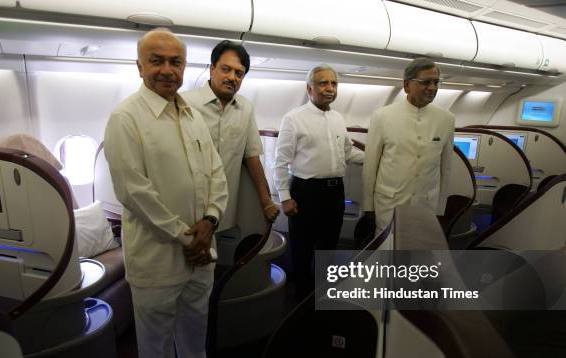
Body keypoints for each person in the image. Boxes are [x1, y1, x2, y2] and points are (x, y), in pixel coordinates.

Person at [103, 29, 228, 358]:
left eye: (175, 62)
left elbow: (216, 172)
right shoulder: (126, 118)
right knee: (155, 339)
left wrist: (210, 220)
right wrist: (184, 236)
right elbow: (134, 192)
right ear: (139, 66)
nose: (167, 70)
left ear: (185, 67)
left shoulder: (191, 115)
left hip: (200, 248)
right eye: (156, 60)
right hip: (158, 255)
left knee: (195, 324)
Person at [273, 64, 364, 300]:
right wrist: (285, 197)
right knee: (302, 249)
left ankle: (323, 295)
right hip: (305, 192)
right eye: (323, 83)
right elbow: (280, 161)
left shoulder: (337, 118)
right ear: (309, 88)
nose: (329, 88)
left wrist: (376, 158)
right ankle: (301, 299)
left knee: (329, 247)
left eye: (333, 83)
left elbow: (348, 152)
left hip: (334, 194)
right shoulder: (294, 118)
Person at [182, 40, 279, 232]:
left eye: (239, 73)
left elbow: (252, 158)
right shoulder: (186, 103)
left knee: (217, 260)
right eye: (226, 69)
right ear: (212, 69)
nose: (232, 77)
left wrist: (266, 201)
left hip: (226, 209)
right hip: (188, 208)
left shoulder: (245, 108)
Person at [362, 57, 455, 234]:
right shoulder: (382, 116)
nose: (432, 88)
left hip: (426, 205)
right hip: (390, 204)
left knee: (418, 255)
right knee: (387, 256)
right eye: (425, 82)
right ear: (406, 85)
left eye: (436, 82)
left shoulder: (447, 119)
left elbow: (446, 168)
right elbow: (370, 166)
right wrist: (368, 207)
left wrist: (440, 208)